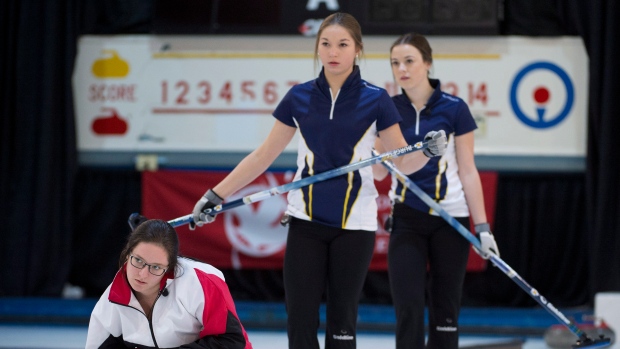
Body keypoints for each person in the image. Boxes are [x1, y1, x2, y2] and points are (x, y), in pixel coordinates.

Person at [190, 13, 446, 349]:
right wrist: (215, 194)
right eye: (325, 44)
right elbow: (263, 155)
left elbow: (401, 162)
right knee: (300, 324)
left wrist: (428, 152)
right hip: (305, 224)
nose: (333, 51)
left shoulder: (377, 99)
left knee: (342, 326)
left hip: (354, 227)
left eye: (342, 44)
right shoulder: (299, 97)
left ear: (357, 50)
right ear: (317, 48)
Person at [373, 32, 500, 349]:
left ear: (427, 63)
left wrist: (483, 228)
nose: (401, 68)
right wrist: (375, 153)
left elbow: (468, 171)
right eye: (395, 63)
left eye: (409, 61)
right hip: (407, 218)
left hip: (451, 219)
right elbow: (377, 171)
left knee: (446, 311)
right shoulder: (386, 109)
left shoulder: (455, 109)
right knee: (409, 308)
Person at [85, 219, 252, 349]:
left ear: (170, 268)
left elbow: (233, 342)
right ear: (128, 254)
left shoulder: (202, 283)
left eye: (156, 267)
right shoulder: (112, 299)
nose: (142, 274)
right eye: (138, 260)